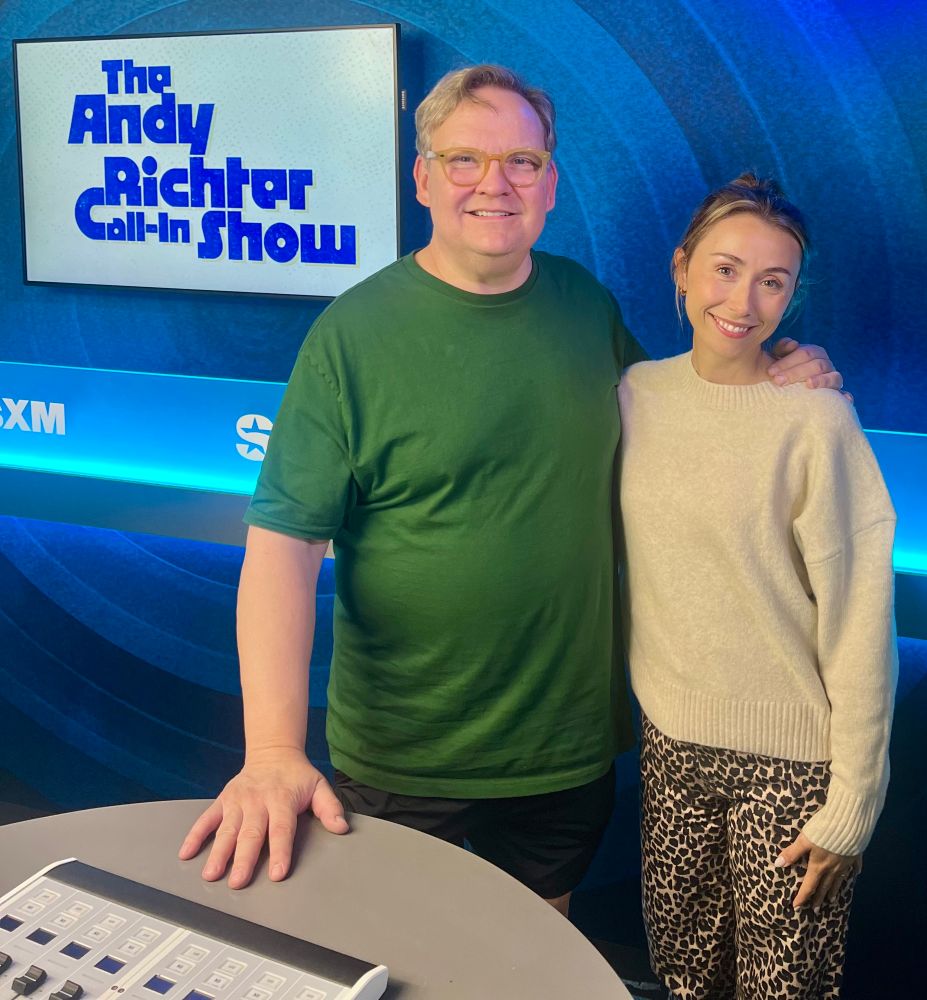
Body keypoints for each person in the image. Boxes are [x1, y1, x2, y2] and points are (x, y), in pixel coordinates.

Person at [178, 67, 841, 916]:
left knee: (530, 961)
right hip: (401, 757)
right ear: (422, 178)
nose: (494, 184)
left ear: (550, 184)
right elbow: (283, 546)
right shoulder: (352, 337)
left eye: (521, 161)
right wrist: (271, 749)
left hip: (561, 751)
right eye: (464, 159)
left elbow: (684, 414)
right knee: (392, 956)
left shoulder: (580, 305)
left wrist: (774, 363)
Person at [618, 174, 896, 997]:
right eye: (726, 269)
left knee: (784, 991)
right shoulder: (635, 394)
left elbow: (858, 620)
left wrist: (853, 800)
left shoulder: (816, 419)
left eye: (772, 281)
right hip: (670, 749)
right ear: (681, 268)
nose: (745, 300)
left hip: (794, 767)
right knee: (682, 980)